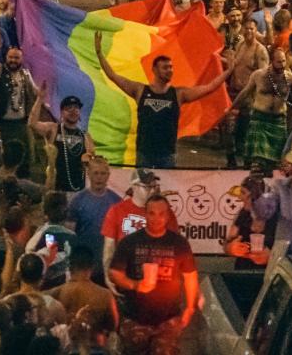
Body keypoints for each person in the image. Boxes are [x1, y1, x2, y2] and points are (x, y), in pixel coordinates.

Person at [93, 32, 231, 168]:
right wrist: (99, 53)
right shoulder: (140, 90)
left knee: (166, 190)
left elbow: (210, 87)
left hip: (167, 155)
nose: (170, 70)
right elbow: (113, 76)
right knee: (143, 188)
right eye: (165, 67)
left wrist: (229, 70)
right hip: (144, 154)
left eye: (171, 67)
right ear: (154, 69)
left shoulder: (179, 93)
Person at [106, 193, 198, 355]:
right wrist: (134, 284)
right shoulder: (130, 242)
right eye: (152, 213)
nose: (156, 218)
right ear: (145, 214)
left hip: (168, 320)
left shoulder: (179, 243)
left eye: (161, 214)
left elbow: (190, 275)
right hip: (135, 318)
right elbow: (114, 272)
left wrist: (190, 307)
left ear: (168, 215)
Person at [232, 47, 292, 167]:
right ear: (272, 61)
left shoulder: (291, 78)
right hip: (259, 119)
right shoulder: (258, 75)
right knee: (257, 159)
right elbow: (245, 92)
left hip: (278, 121)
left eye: (283, 61)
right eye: (279, 62)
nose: (282, 64)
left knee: (276, 161)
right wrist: (231, 107)